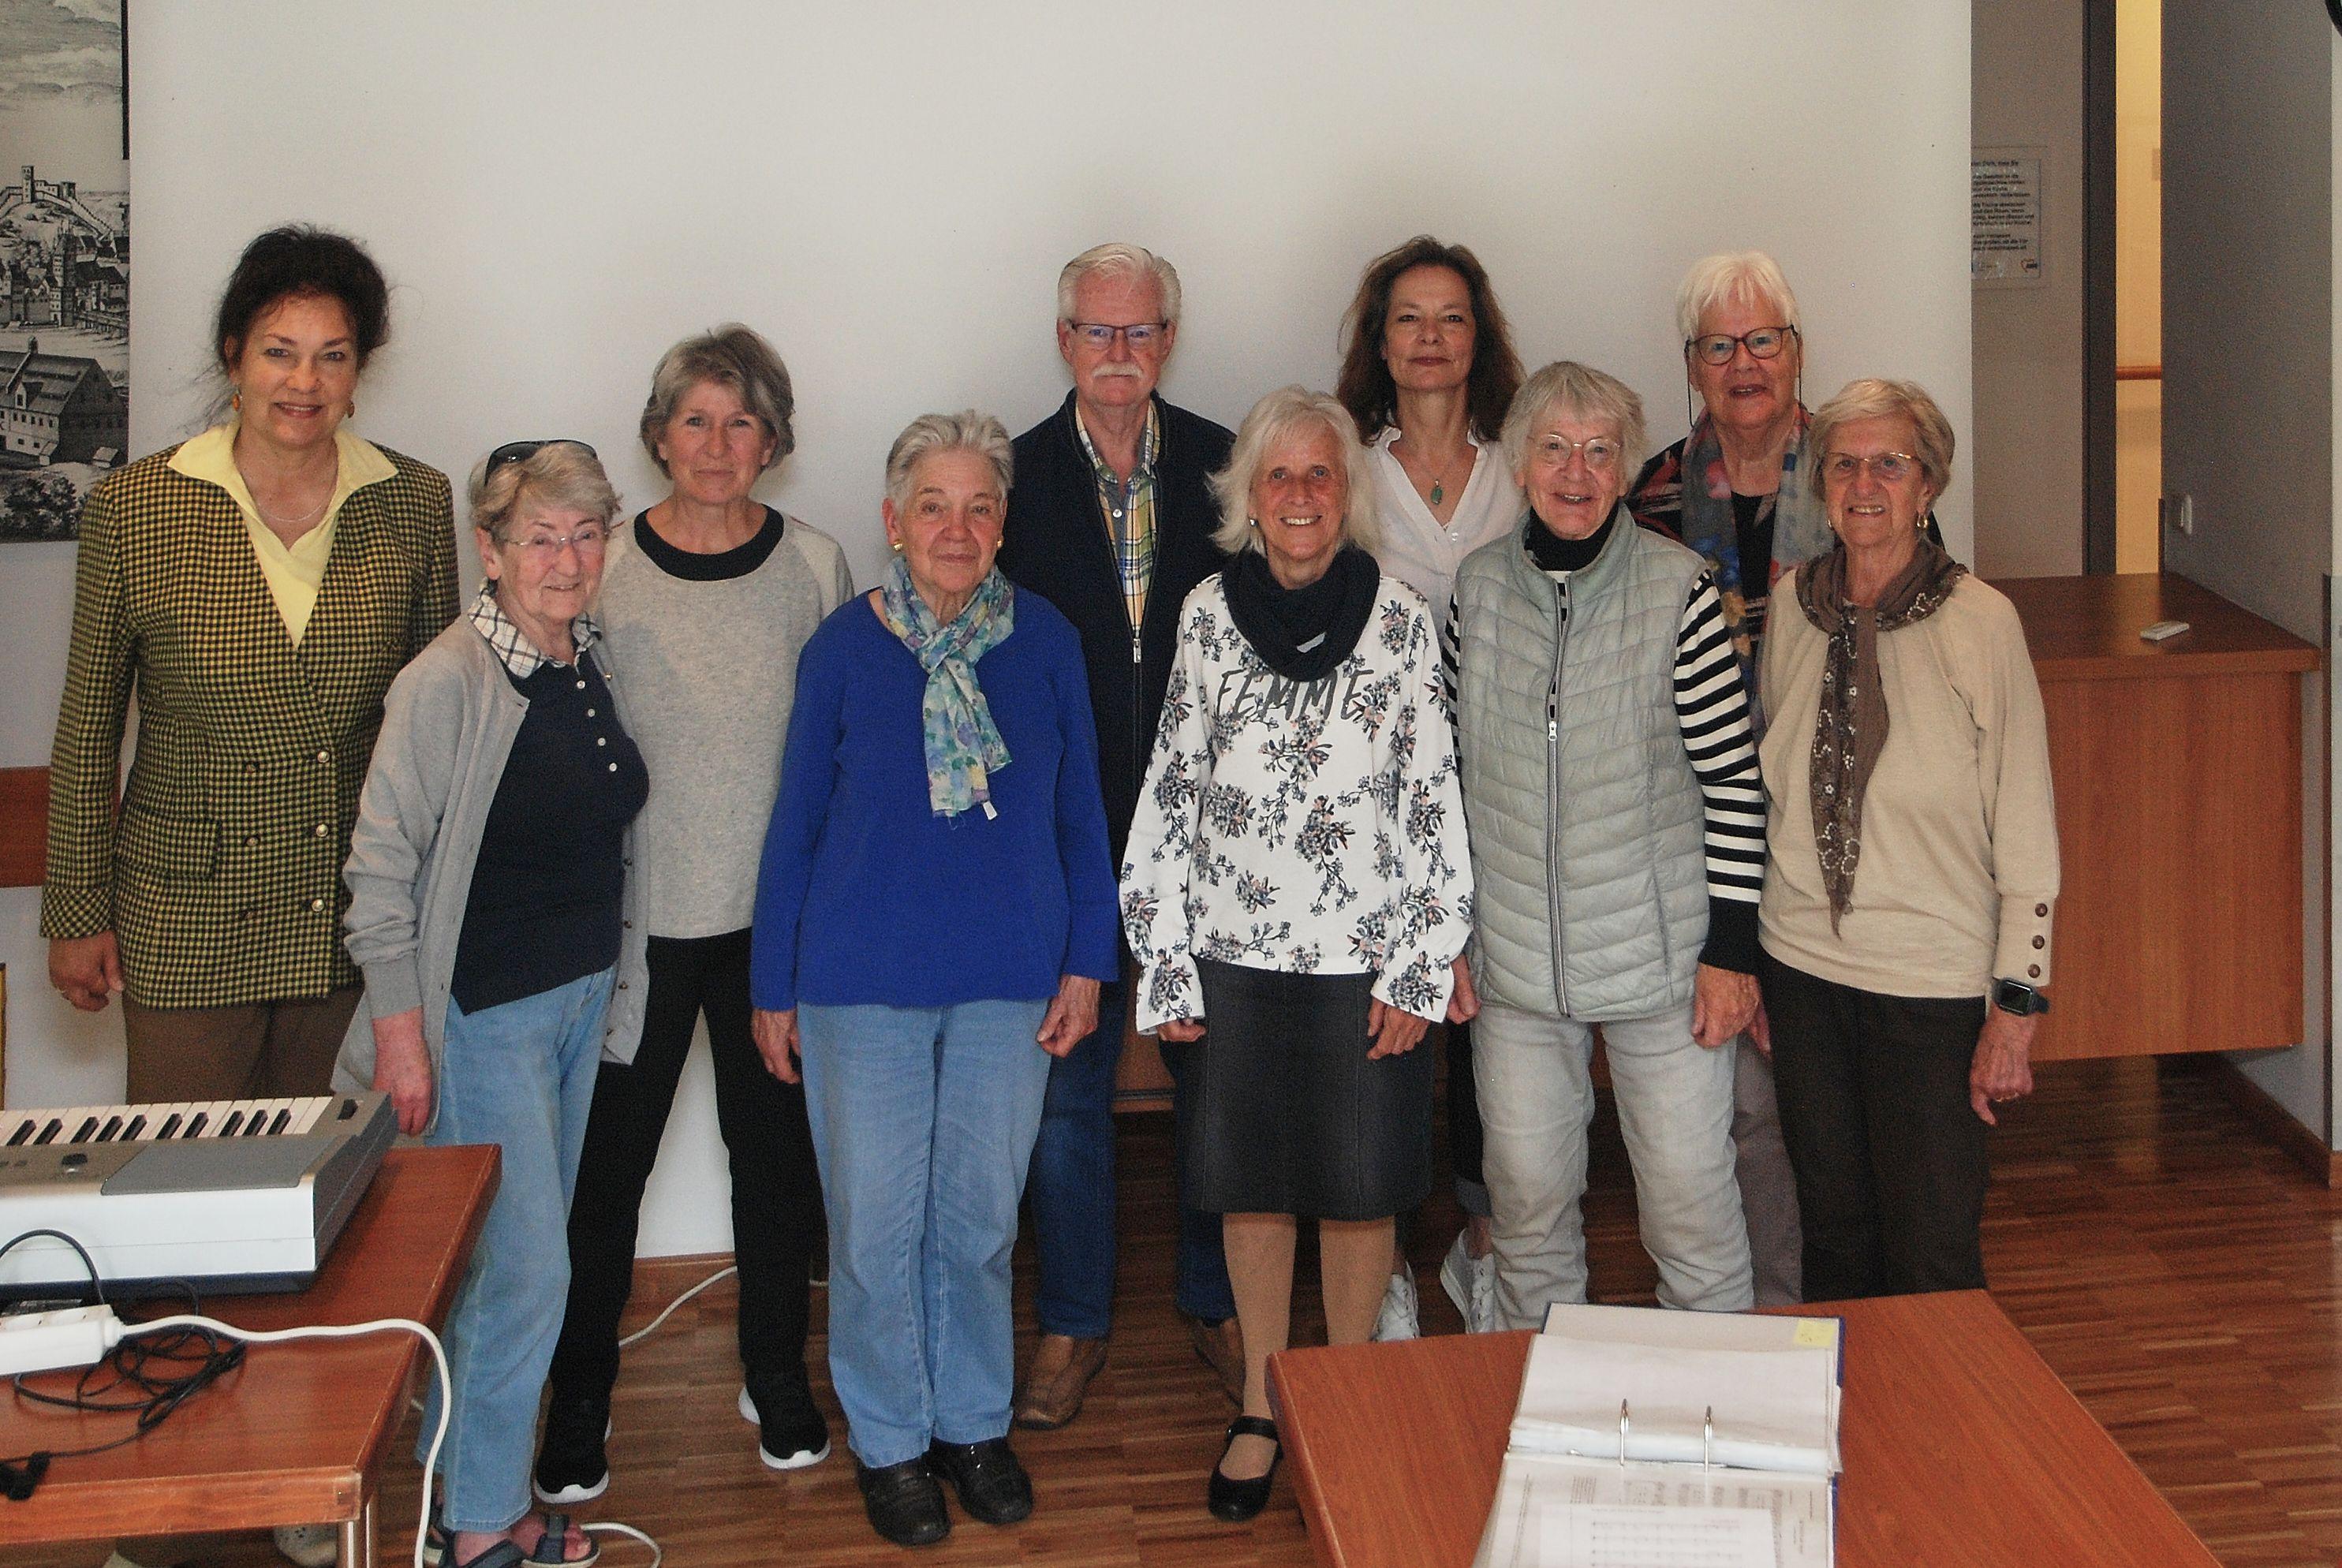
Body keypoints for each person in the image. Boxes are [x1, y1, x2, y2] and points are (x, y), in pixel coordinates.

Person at [40, 225, 457, 1568]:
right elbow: (87, 724)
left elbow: (436, 726)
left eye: (331, 356)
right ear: (234, 354)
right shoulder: (139, 507)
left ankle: (302, 1487)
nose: (303, 381)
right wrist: (74, 904)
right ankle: (163, 1515)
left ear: (360, 369)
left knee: (327, 1217)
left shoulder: (412, 501)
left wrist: (430, 925)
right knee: (174, 1214)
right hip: (184, 913)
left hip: (349, 919)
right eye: (280, 350)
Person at [750, 412, 1118, 1549]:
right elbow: (795, 824)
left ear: (1001, 524)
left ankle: (969, 1425)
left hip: (1010, 978)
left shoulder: (1045, 640)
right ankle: (892, 1439)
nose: (957, 529)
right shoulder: (842, 649)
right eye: (933, 507)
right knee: (872, 1233)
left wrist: (1087, 961)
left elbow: (1080, 815)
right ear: (893, 522)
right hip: (857, 980)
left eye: (979, 507)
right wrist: (771, 983)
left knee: (977, 1224)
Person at [1121, 386, 1474, 1522]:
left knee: (1361, 1191)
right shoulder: (1205, 616)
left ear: (1347, 491)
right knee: (1252, 1189)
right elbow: (1170, 789)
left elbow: (1431, 798)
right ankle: (1263, 1403)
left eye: (1321, 473)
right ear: (1250, 497)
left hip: (1364, 964)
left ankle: (1348, 1393)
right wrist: (1164, 959)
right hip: (1231, 958)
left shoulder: (1400, 620)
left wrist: (1422, 962)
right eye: (1279, 475)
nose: (1301, 495)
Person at [531, 327, 853, 1506]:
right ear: (658, 436)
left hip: (769, 934)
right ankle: (580, 1402)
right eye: (695, 421)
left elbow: (840, 750)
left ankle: (775, 1374)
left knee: (773, 1174)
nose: (718, 445)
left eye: (742, 422)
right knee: (603, 1180)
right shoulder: (600, 564)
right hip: (634, 933)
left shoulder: (813, 565)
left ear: (773, 441)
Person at [338, 440, 646, 1568]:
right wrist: (401, 1037)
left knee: (515, 1271)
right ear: (490, 548)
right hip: (480, 1017)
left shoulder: (585, 655)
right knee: (523, 1274)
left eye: (584, 535)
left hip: (574, 1002)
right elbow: (379, 873)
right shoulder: (448, 680)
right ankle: (475, 1531)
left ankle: (490, 1498)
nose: (565, 559)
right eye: (539, 538)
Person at [1448, 361, 1762, 1330]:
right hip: (1513, 969)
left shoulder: (1677, 590)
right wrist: (1446, 937)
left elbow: (1732, 783)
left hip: (1663, 965)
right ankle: (1543, 1393)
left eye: (1597, 451)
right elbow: (1444, 781)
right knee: (1528, 1210)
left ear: (1625, 469)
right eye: (1552, 448)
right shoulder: (1475, 590)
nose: (1574, 472)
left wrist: (1730, 952)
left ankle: (1718, 1402)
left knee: (1690, 1210)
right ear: (1518, 463)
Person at [997, 242, 1242, 1425]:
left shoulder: (1225, 464)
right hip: (1067, 829)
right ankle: (1072, 1322)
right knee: (1067, 1090)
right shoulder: (1009, 476)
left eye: (1139, 331)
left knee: (1216, 1079)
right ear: (1063, 341)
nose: (1118, 351)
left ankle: (1217, 1298)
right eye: (1096, 331)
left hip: (1208, 831)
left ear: (1168, 342)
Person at [1756, 378, 2058, 1301]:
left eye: (1889, 463)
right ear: (1819, 483)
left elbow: (2025, 822)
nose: (1863, 485)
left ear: (1927, 484)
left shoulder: (1981, 621)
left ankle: (1941, 1402)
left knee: (1930, 1250)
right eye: (1842, 464)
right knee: (1832, 1236)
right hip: (1801, 971)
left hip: (1929, 985)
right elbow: (1772, 792)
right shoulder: (1790, 606)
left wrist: (2015, 1005)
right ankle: (1850, 1396)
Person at [1335, 235, 1526, 1337]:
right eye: (1407, 317)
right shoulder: (1347, 472)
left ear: (1477, 336)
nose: (1429, 338)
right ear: (1379, 340)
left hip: (1506, 790)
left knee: (1497, 1029)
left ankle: (1484, 1246)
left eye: (1450, 317)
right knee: (1393, 1025)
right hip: (1381, 803)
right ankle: (1391, 1263)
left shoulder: (1522, 464)